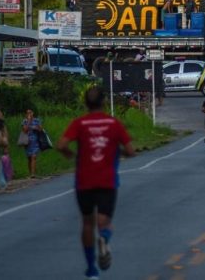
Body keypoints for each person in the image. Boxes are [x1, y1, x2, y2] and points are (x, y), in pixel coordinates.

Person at [57, 86, 136, 280]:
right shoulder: (113, 123)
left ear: (85, 103)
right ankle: (104, 238)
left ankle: (92, 270)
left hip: (84, 180)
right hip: (107, 180)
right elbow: (131, 150)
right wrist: (119, 152)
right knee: (105, 223)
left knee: (87, 223)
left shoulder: (80, 123)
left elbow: (61, 145)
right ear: (103, 102)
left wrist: (70, 155)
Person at [22, 109, 42, 178]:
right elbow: (24, 130)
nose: (29, 114)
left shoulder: (37, 120)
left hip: (35, 141)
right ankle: (30, 173)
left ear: (33, 113)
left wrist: (36, 128)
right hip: (27, 142)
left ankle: (33, 174)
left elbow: (40, 129)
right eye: (27, 113)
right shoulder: (25, 121)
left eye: (30, 112)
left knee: (34, 156)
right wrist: (29, 122)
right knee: (29, 158)